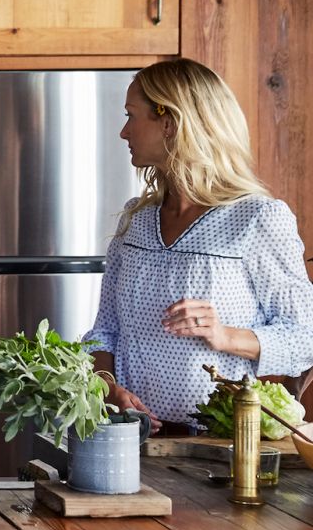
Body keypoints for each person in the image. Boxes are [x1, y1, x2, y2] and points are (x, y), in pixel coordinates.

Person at [87, 58, 313, 429]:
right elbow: (104, 332)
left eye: (131, 116)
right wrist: (109, 387)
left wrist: (225, 336)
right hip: (135, 442)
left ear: (170, 121)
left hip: (220, 448)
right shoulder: (136, 220)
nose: (123, 133)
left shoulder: (257, 218)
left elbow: (306, 337)